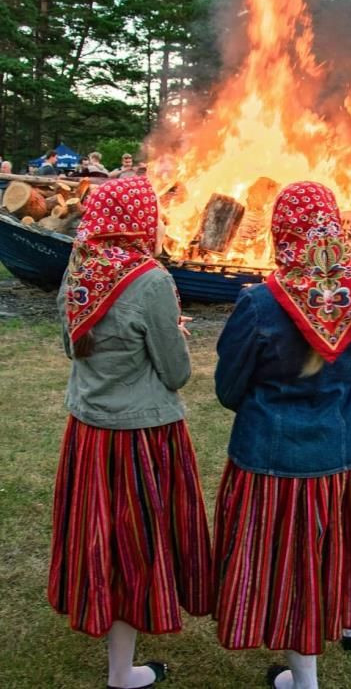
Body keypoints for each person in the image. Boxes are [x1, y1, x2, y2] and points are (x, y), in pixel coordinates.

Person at [211, 181, 351, 689]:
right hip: (340, 450)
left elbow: (228, 389)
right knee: (337, 547)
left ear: (281, 232)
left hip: (270, 459)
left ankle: (303, 679)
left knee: (292, 569)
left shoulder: (259, 304)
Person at [49, 176, 211, 689]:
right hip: (142, 436)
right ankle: (123, 673)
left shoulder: (80, 269)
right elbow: (176, 372)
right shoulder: (150, 279)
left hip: (88, 432)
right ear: (140, 219)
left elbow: (73, 347)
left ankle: (121, 663)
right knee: (136, 543)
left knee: (101, 541)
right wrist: (176, 334)